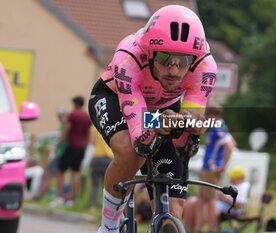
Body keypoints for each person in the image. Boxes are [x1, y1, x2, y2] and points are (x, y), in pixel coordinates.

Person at [88, 5, 217, 233]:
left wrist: (191, 126)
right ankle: (108, 226)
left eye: (183, 61)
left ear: (194, 59)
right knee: (131, 151)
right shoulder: (128, 59)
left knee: (174, 210)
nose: (174, 71)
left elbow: (192, 118)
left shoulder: (204, 66)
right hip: (115, 98)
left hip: (164, 109)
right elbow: (140, 136)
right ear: (150, 53)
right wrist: (159, 124)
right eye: (165, 58)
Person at [193, 102, 236, 233]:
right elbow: (233, 142)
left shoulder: (218, 128)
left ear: (212, 114)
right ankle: (201, 228)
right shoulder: (222, 125)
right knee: (204, 199)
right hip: (210, 168)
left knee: (209, 200)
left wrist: (222, 166)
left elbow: (230, 146)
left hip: (210, 169)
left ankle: (206, 229)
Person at [183, 166, 250, 233]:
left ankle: (190, 229)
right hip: (219, 204)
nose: (231, 181)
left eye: (233, 179)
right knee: (191, 201)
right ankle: (188, 229)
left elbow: (239, 205)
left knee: (195, 204)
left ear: (239, 178)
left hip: (226, 208)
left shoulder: (244, 186)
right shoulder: (238, 185)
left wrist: (222, 197)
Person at [51, 96, 91, 206]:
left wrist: (57, 145)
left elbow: (66, 130)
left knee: (60, 170)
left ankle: (60, 197)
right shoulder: (87, 116)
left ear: (75, 103)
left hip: (72, 145)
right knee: (76, 171)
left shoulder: (73, 115)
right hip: (82, 147)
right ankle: (71, 199)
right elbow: (88, 133)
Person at [35, 107, 68, 199]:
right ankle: (41, 194)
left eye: (61, 116)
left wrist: (57, 148)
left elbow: (63, 139)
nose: (60, 118)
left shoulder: (66, 125)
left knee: (48, 174)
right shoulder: (62, 125)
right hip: (59, 153)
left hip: (61, 154)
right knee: (50, 174)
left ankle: (40, 195)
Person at [89, 125, 114, 212]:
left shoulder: (94, 126)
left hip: (97, 157)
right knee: (107, 186)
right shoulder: (111, 122)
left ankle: (93, 206)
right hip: (109, 158)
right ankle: (107, 208)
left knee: (95, 185)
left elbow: (92, 141)